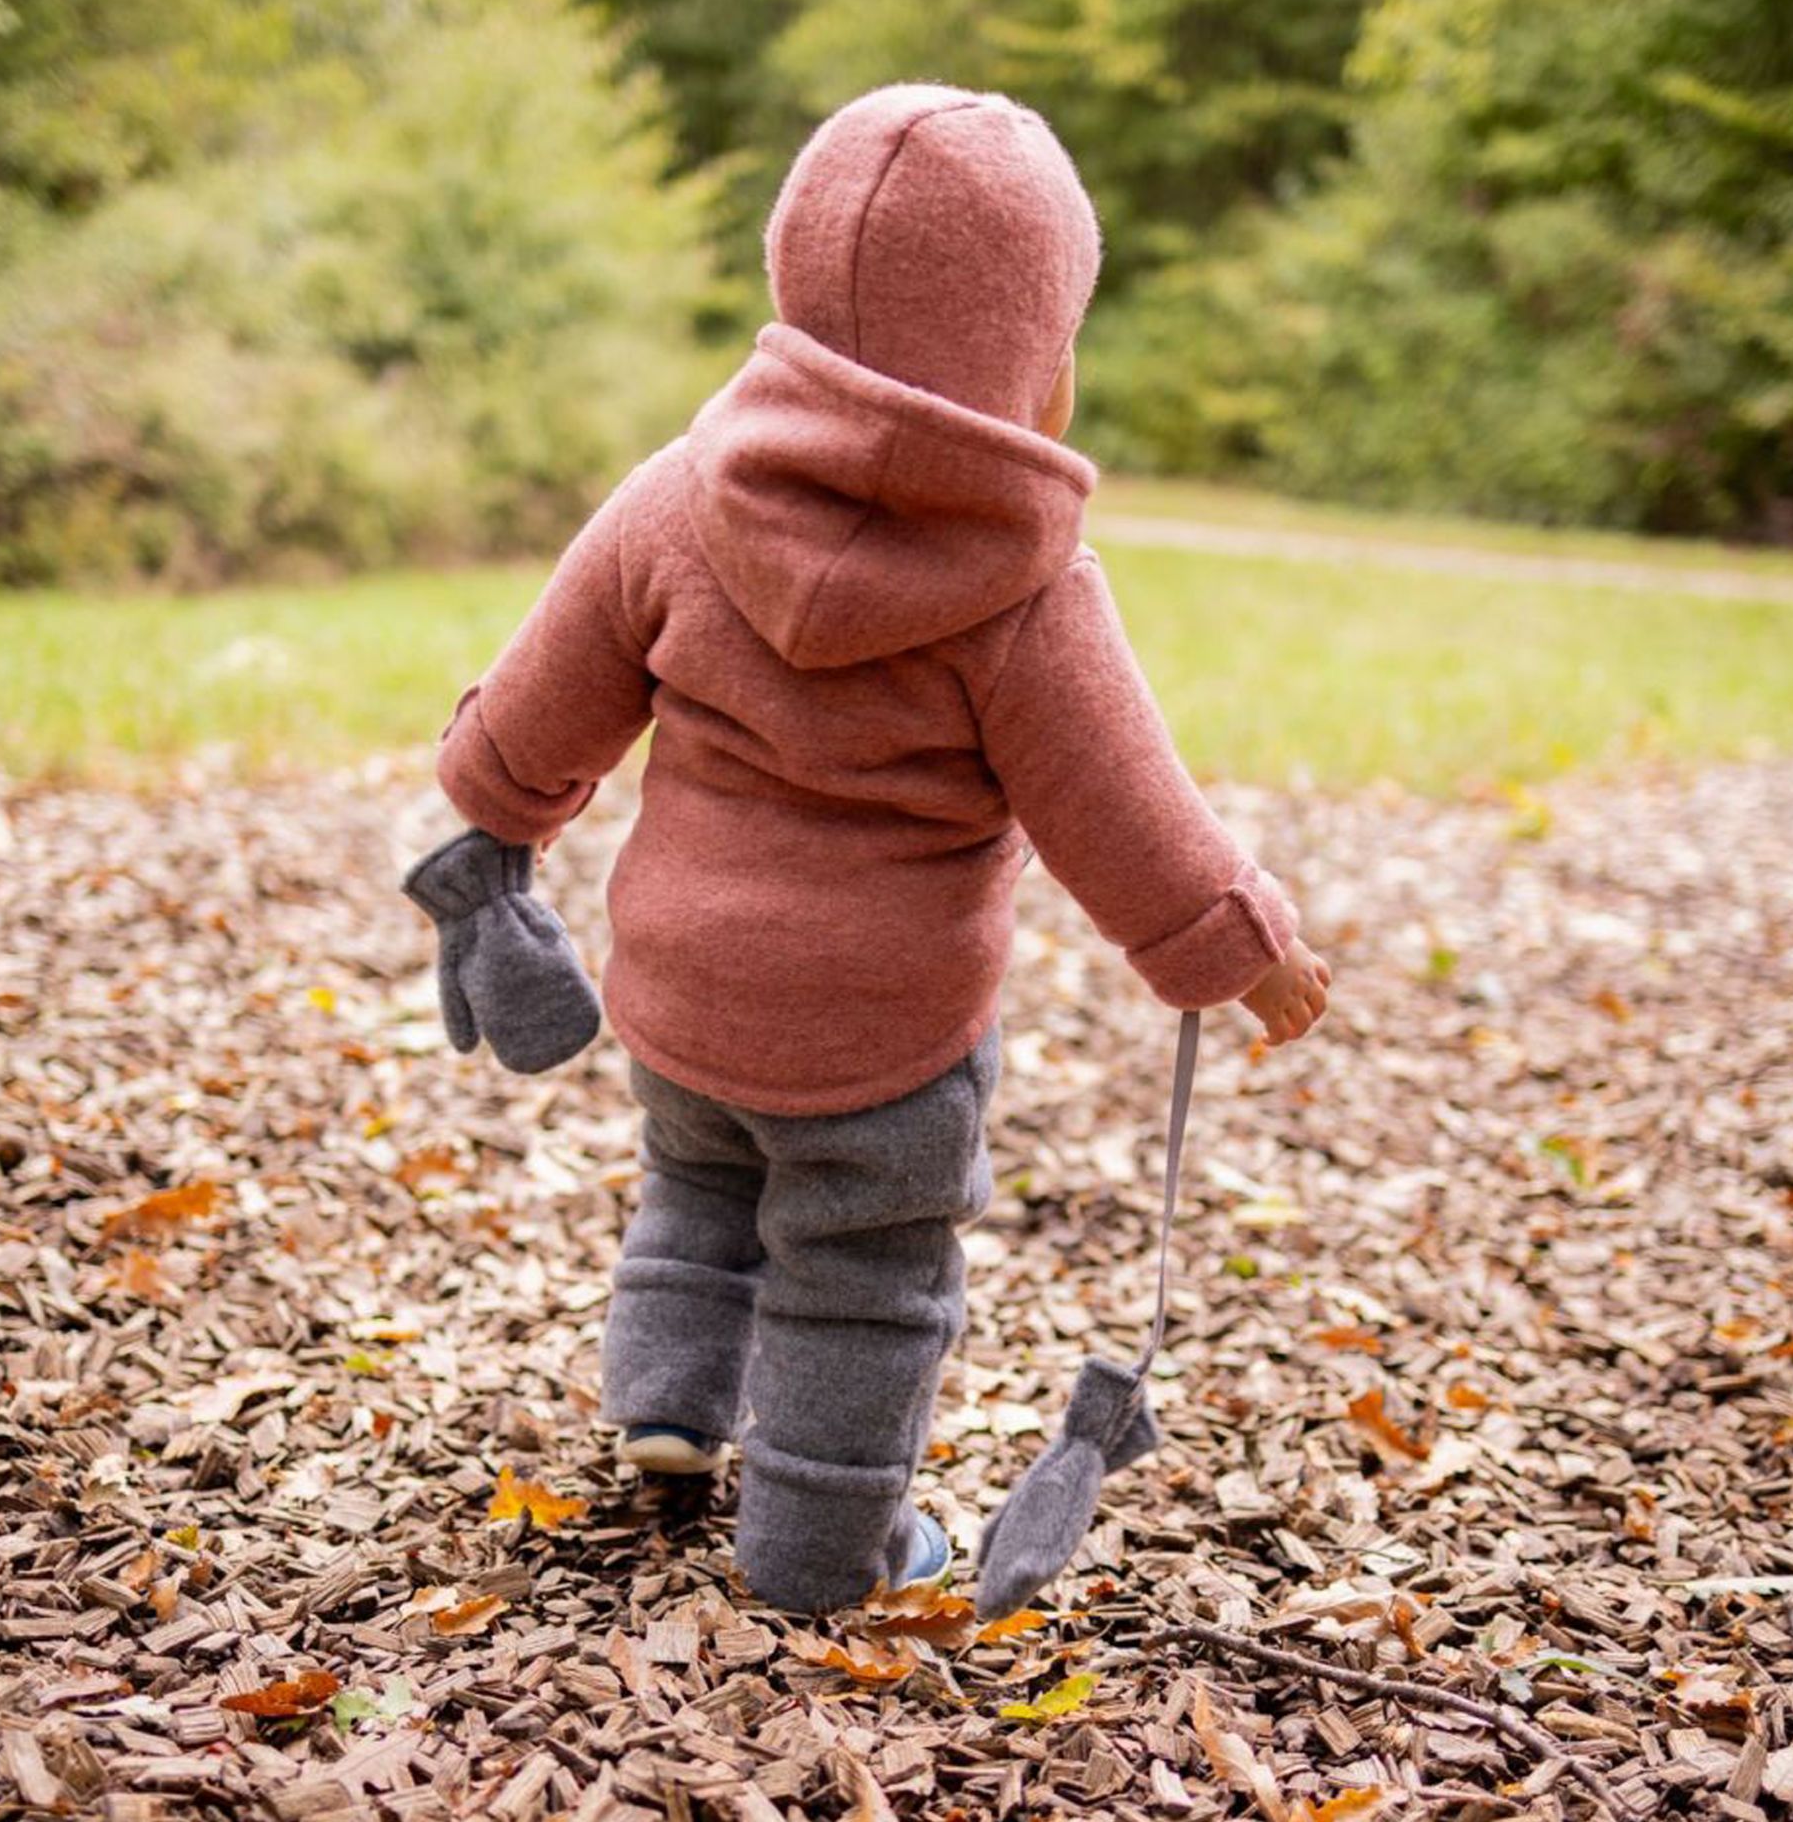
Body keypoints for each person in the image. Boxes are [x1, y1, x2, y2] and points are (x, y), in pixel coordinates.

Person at [410, 83, 1331, 1615]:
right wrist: (1241, 944)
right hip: (885, 1040)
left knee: (696, 1191)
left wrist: (494, 809)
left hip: (684, 993)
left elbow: (542, 696)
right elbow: (1128, 812)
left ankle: (664, 1410)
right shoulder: (1025, 592)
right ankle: (823, 1551)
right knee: (865, 1284)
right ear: (1041, 361)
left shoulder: (679, 495)